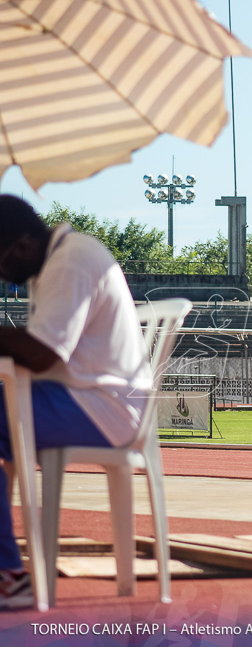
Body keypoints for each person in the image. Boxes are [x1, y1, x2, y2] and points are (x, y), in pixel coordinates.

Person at [0, 195, 152, 609]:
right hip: (91, 397)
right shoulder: (62, 259)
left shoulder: (70, 261)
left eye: (2, 265)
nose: (4, 277)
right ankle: (6, 570)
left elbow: (44, 351)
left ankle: (8, 575)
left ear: (23, 245)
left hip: (102, 406)